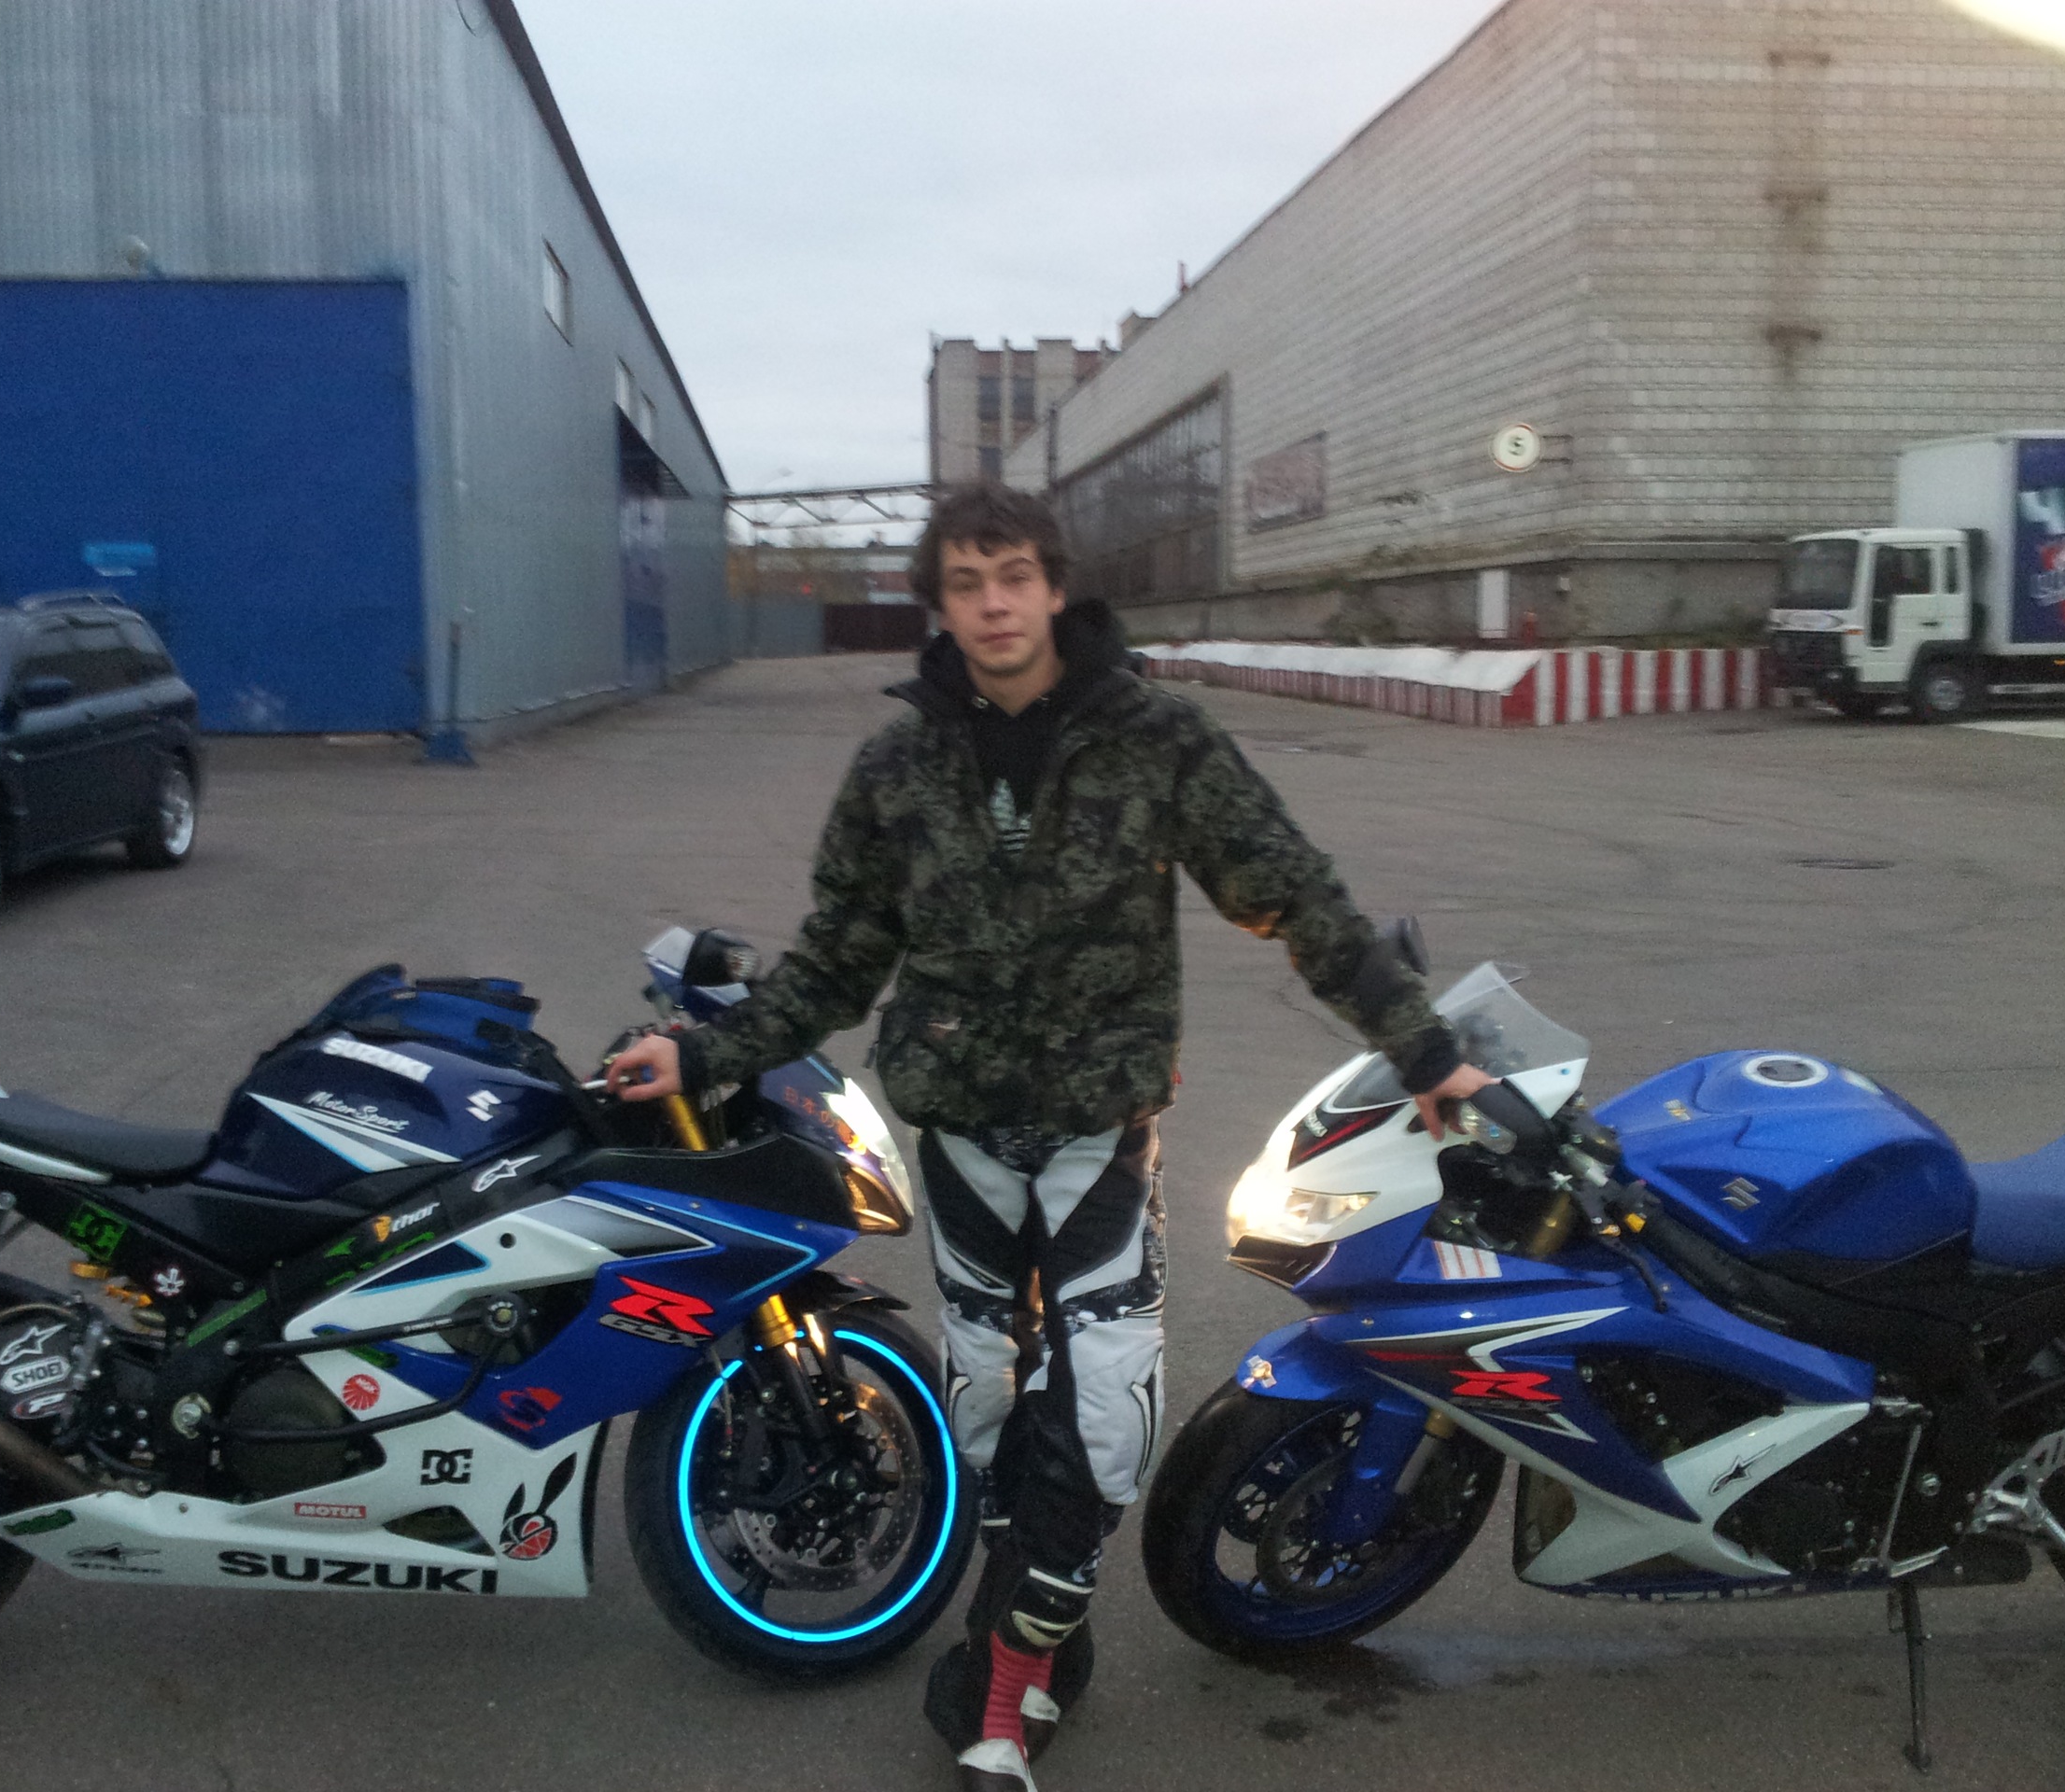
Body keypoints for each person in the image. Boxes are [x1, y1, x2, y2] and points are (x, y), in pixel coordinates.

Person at [607, 483, 1490, 1792]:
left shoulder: (1157, 738)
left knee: (1104, 1416)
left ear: (1055, 587)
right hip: (964, 1135)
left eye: (1014, 575)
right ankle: (1043, 1636)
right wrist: (703, 1052)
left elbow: (1293, 894)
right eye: (967, 584)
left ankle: (1003, 1692)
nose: (995, 605)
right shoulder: (896, 766)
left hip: (1098, 1134)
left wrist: (1422, 1048)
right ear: (939, 604)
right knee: (987, 1416)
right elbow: (841, 956)